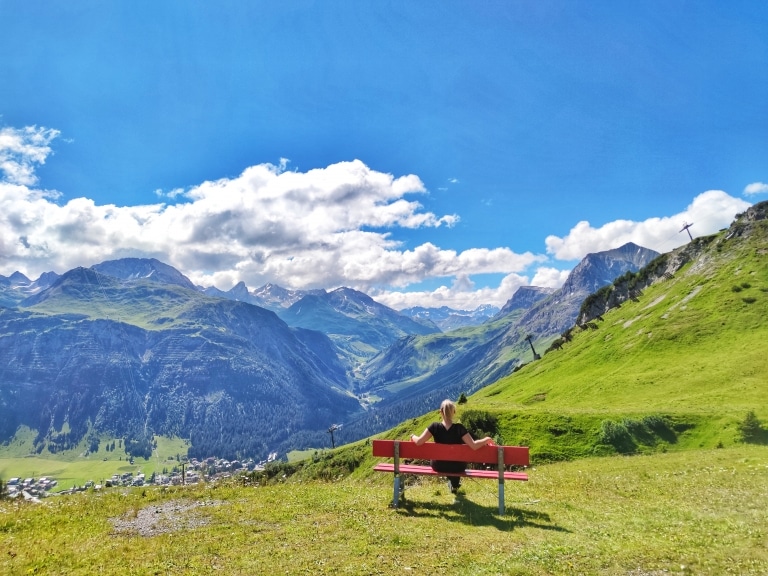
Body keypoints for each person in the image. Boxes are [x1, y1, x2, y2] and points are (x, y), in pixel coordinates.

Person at [410, 399, 494, 494]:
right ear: (454, 412)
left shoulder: (434, 427)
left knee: (446, 462)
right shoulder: (459, 428)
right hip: (457, 467)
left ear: (440, 412)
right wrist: (486, 439)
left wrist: (413, 436)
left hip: (438, 466)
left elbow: (419, 442)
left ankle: (453, 484)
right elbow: (474, 445)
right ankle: (454, 484)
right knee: (454, 462)